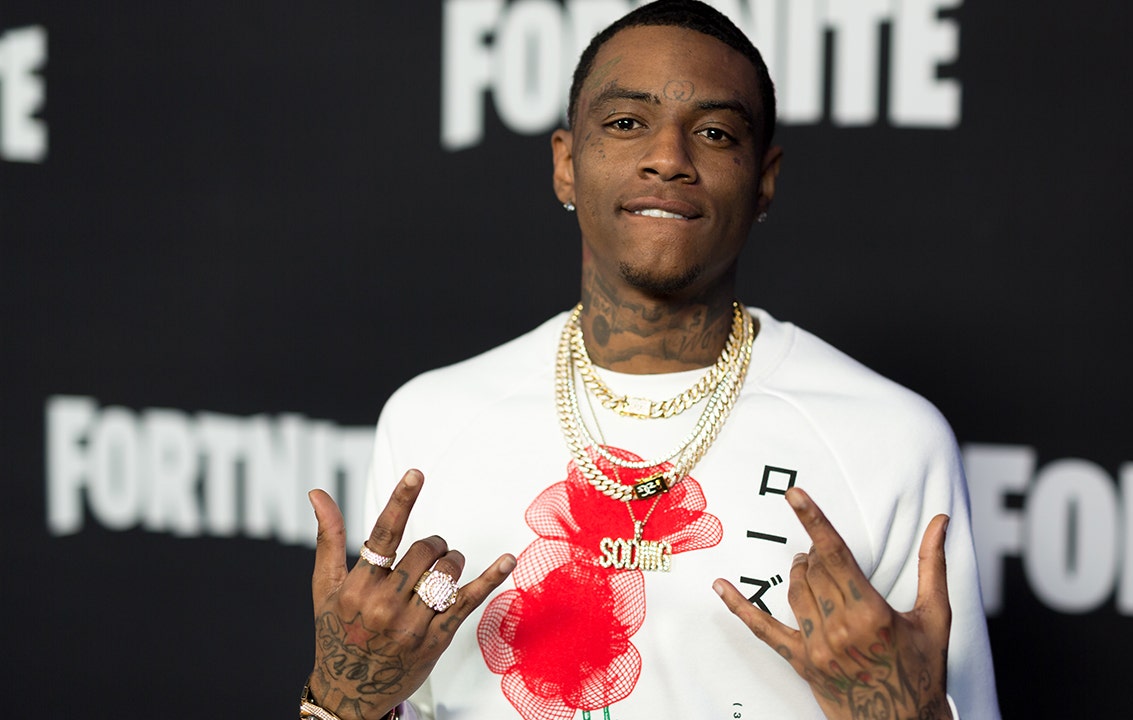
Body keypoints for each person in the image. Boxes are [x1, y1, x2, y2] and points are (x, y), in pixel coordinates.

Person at [302, 2, 1000, 718]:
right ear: (566, 164)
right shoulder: (433, 419)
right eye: (626, 122)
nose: (668, 158)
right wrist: (340, 702)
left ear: (764, 179)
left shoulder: (888, 438)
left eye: (715, 132)